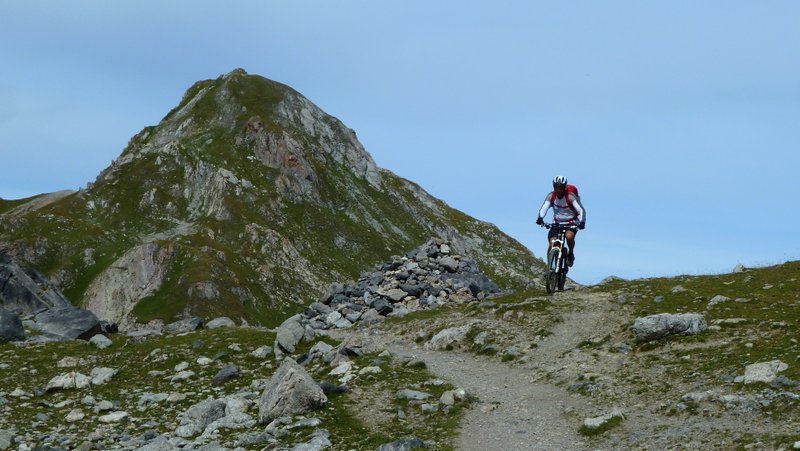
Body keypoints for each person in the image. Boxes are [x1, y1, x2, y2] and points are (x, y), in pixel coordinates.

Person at [536, 175, 586, 267]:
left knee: (569, 236)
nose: (558, 189)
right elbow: (544, 207)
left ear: (564, 187)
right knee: (552, 242)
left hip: (571, 222)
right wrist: (540, 218)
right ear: (553, 186)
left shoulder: (570, 196)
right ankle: (549, 268)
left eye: (561, 187)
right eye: (556, 187)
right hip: (557, 223)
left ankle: (570, 254)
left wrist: (582, 222)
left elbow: (580, 210)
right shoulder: (551, 196)